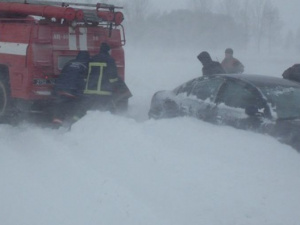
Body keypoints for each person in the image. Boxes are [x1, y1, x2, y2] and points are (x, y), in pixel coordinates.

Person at [83, 42, 132, 112]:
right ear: (108, 51)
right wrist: (116, 86)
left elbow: (85, 75)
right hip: (104, 93)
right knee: (105, 111)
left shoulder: (92, 59)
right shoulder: (110, 60)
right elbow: (113, 78)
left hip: (90, 92)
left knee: (91, 111)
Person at [51, 51, 90, 127]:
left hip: (62, 90)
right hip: (73, 92)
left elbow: (63, 75)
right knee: (80, 108)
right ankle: (74, 124)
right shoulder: (86, 65)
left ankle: (56, 125)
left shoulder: (69, 63)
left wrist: (55, 91)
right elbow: (85, 80)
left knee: (61, 108)